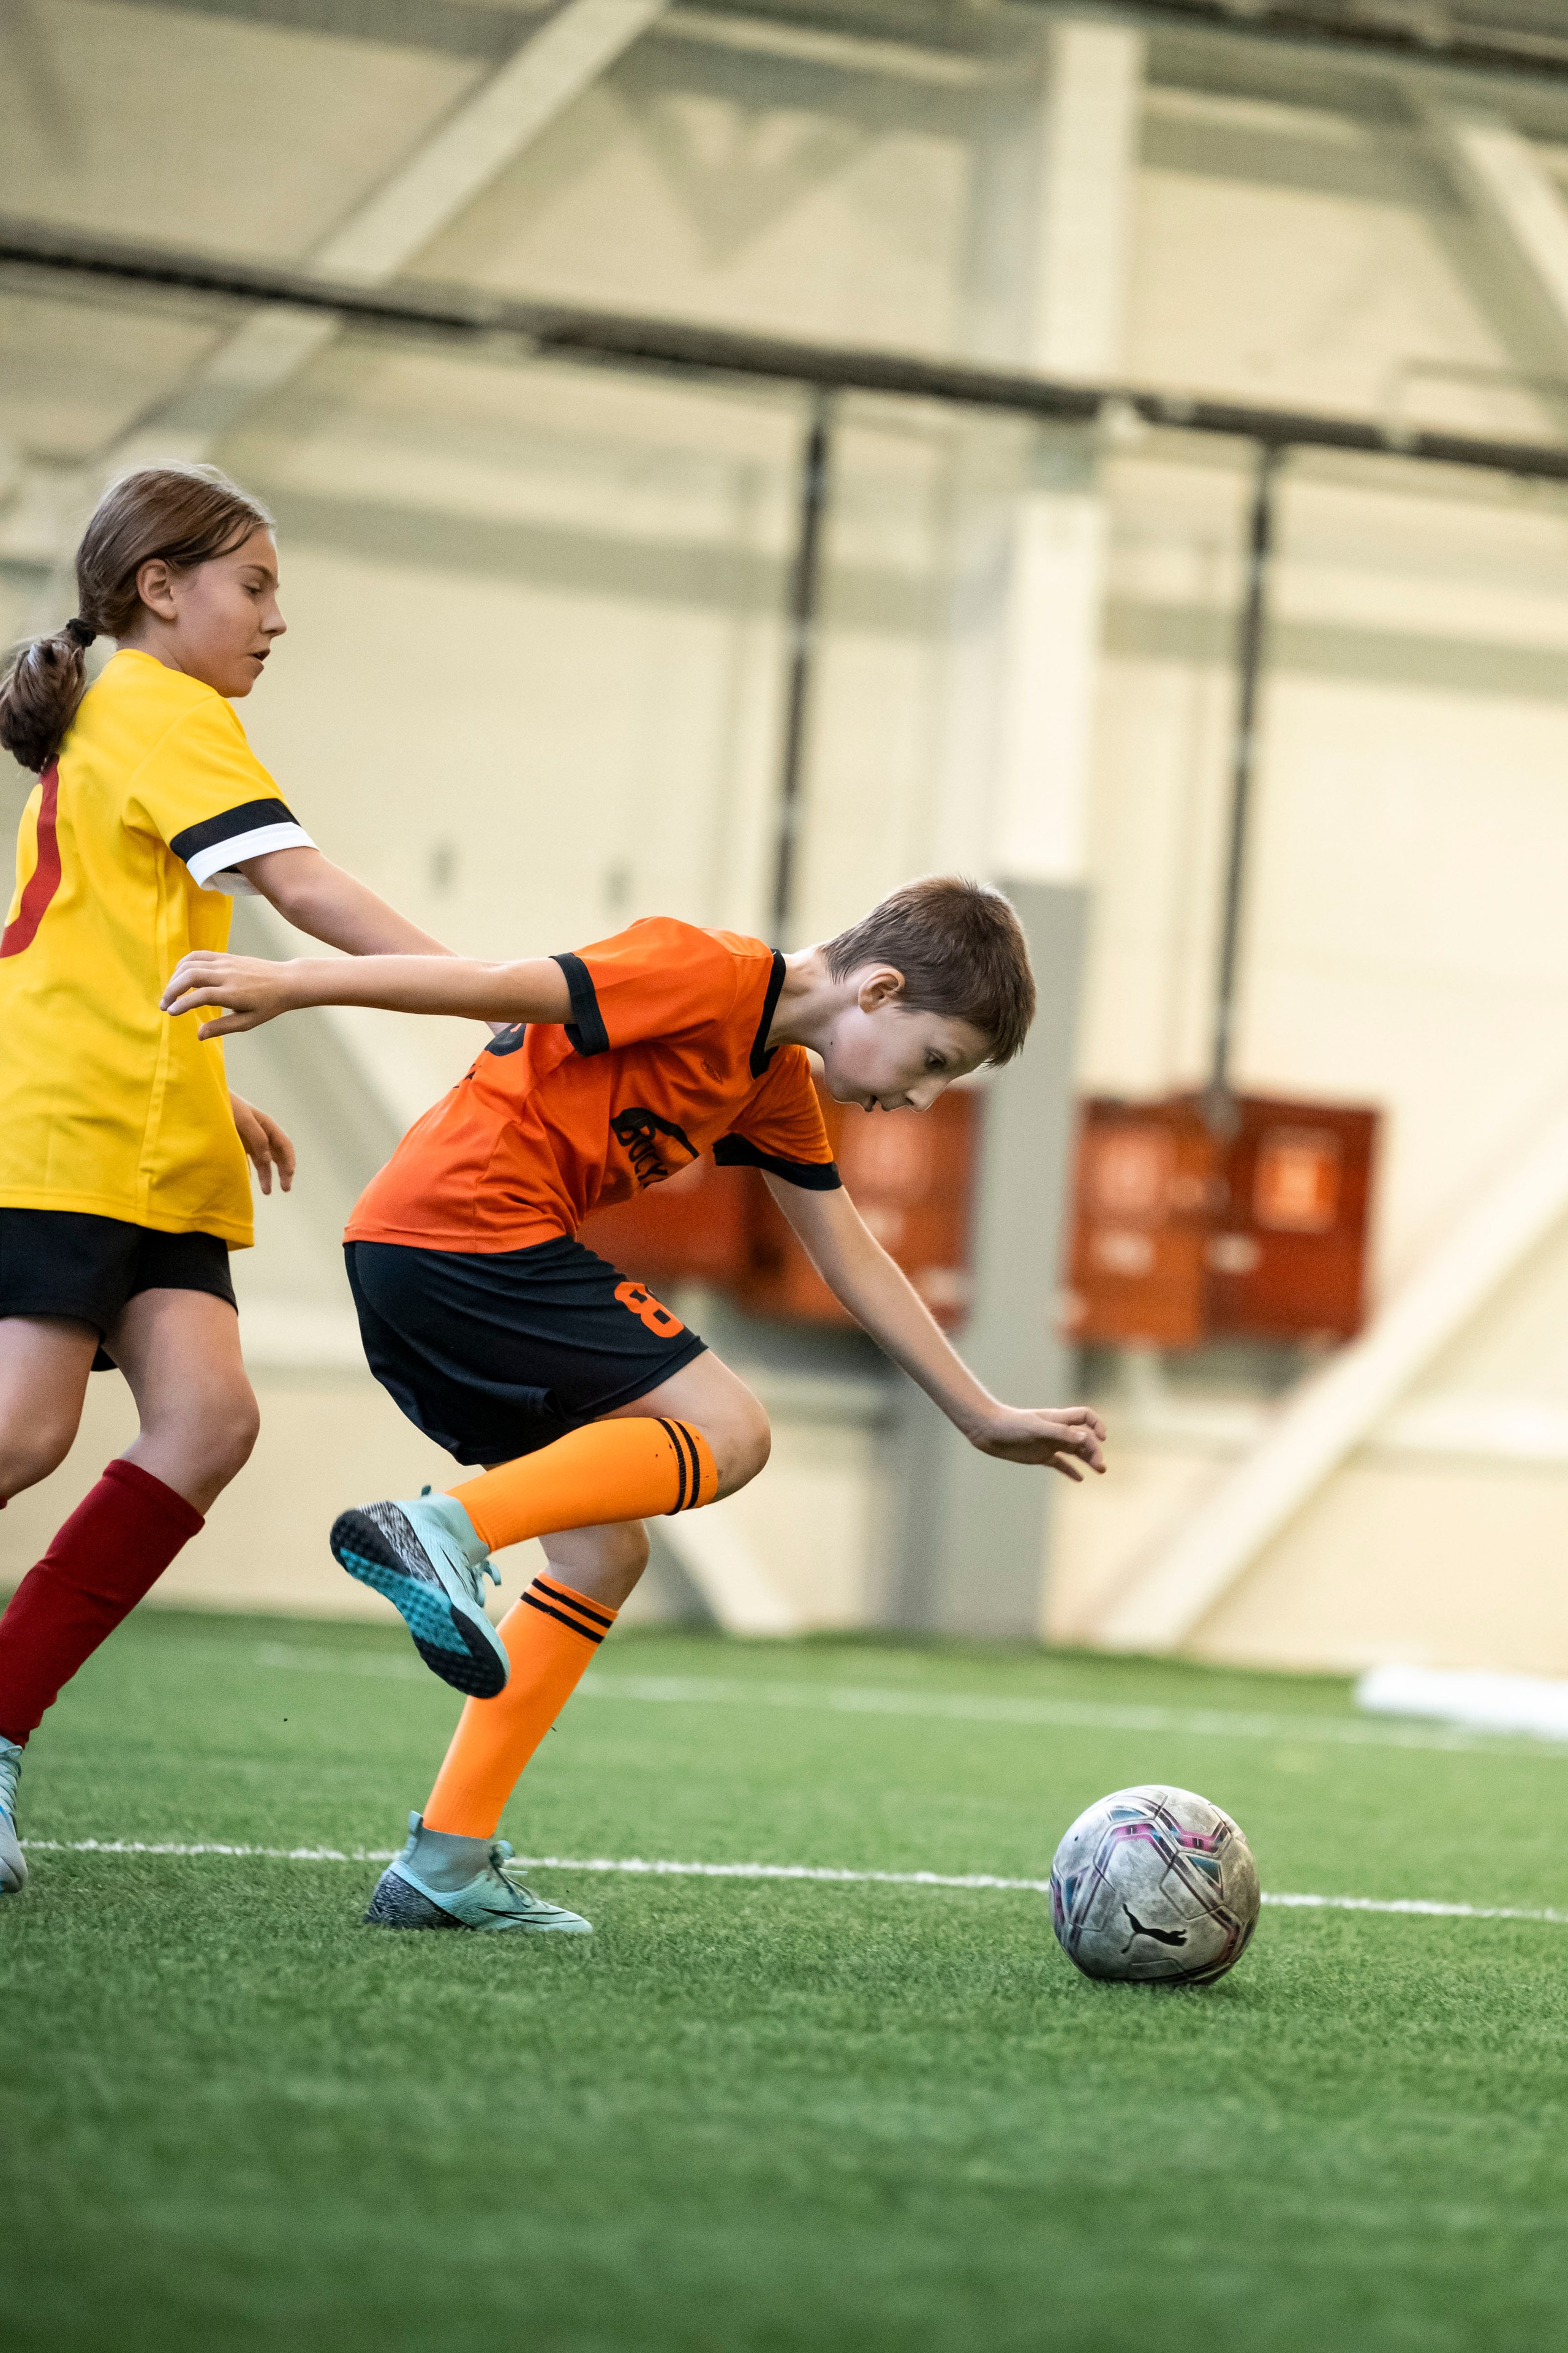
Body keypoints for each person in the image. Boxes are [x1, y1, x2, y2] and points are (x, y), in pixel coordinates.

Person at [162, 877, 1109, 1936]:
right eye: (935, 1062)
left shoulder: (771, 1083)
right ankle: (436, 1529)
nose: (922, 1098)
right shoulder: (704, 970)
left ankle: (444, 1860)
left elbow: (849, 1253)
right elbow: (494, 986)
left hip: (425, 1266)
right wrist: (294, 984)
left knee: (603, 1555)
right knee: (733, 1429)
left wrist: (977, 1411)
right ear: (878, 990)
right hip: (464, 1234)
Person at [0, 464, 461, 1902]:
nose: (274, 620)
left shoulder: (126, 715)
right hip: (66, 1135)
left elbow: (105, 947)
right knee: (21, 1432)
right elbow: (301, 891)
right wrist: (484, 995)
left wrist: (206, 1086)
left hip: (144, 1133)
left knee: (205, 1422)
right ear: (160, 588)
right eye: (254, 587)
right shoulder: (160, 707)